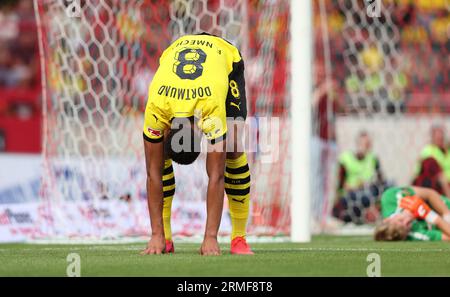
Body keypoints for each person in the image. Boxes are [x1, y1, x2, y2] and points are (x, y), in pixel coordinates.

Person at [141, 32, 253, 256]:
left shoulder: (211, 107)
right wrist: (155, 235)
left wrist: (210, 237)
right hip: (175, 50)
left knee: (231, 148)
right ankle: (164, 237)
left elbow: (217, 175)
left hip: (225, 56)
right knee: (157, 159)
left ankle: (238, 237)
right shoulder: (157, 106)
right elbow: (152, 173)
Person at [375, 186, 450, 241]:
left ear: (387, 220)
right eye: (407, 227)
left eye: (400, 221)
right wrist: (429, 215)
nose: (407, 221)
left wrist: (447, 214)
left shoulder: (390, 198)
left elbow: (430, 194)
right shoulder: (414, 235)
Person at [412, 125, 450, 198]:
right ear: (433, 138)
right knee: (432, 163)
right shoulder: (428, 150)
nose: (440, 139)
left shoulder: (447, 150)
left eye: (441, 138)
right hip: (437, 183)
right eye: (438, 138)